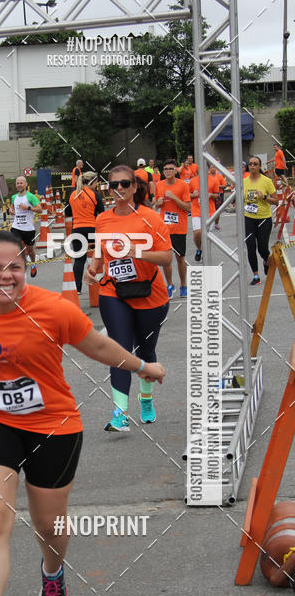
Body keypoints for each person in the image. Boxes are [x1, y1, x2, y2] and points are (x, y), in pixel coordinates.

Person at [0, 230, 165, 596]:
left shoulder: (54, 309)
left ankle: (53, 571)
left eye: (15, 267)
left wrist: (143, 367)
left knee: (49, 525)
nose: (6, 276)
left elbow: (97, 345)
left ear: (28, 269)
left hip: (53, 425)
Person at [84, 165, 172, 431]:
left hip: (150, 294)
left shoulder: (150, 218)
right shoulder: (102, 220)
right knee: (119, 350)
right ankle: (120, 413)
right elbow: (100, 253)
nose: (119, 189)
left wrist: (137, 252)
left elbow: (167, 256)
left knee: (145, 350)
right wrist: (93, 268)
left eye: (124, 184)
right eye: (114, 185)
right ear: (108, 189)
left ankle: (145, 399)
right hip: (114, 291)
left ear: (135, 187)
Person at [154, 159, 191, 298]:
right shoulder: (159, 185)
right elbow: (156, 204)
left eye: (171, 168)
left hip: (179, 228)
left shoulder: (182, 185)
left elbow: (188, 207)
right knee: (166, 259)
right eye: (166, 169)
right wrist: (158, 203)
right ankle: (169, 285)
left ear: (176, 170)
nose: (168, 171)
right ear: (163, 171)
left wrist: (174, 198)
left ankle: (183, 285)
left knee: (180, 258)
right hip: (164, 228)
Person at [243, 155, 280, 285]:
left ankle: (266, 260)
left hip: (264, 219)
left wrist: (264, 197)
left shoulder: (266, 181)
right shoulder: (244, 182)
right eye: (250, 164)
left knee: (263, 248)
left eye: (255, 164)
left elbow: (276, 201)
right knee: (250, 246)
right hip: (249, 218)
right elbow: (241, 199)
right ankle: (255, 276)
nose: (252, 166)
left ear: (259, 167)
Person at [68, 170, 105, 293]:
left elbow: (68, 212)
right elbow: (102, 213)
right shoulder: (94, 194)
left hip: (77, 230)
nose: (97, 185)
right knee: (99, 255)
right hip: (92, 229)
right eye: (96, 183)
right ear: (92, 182)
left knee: (79, 260)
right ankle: (99, 283)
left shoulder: (73, 194)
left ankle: (77, 289)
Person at [10, 175, 42, 278]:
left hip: (28, 228)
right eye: (17, 183)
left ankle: (33, 264)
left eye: (21, 183)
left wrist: (27, 207)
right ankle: (19, 267)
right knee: (16, 247)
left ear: (26, 184)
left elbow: (40, 209)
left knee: (30, 250)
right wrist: (11, 211)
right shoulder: (13, 197)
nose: (19, 185)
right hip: (16, 227)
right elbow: (12, 209)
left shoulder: (30, 196)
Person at [190, 166, 222, 261]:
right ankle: (199, 249)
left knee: (208, 235)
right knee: (197, 232)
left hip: (210, 212)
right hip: (196, 210)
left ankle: (204, 252)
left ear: (207, 169)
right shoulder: (192, 181)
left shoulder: (214, 180)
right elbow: (187, 194)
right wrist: (193, 195)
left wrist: (211, 195)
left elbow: (217, 195)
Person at [210, 163, 225, 231]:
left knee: (218, 210)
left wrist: (217, 186)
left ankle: (216, 224)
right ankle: (209, 223)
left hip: (219, 194)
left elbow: (224, 185)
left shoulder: (219, 176)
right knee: (209, 209)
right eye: (211, 167)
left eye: (214, 167)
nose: (212, 169)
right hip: (210, 194)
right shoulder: (207, 177)